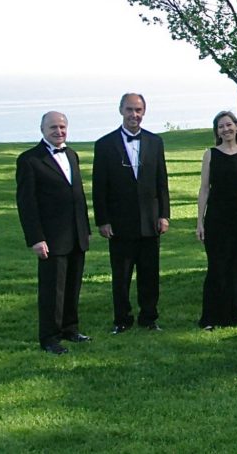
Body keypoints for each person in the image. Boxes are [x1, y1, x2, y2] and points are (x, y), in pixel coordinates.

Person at [93, 93, 170, 334]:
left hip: (150, 220)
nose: (133, 115)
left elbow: (161, 182)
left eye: (138, 110)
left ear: (144, 112)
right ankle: (122, 319)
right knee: (122, 274)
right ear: (121, 110)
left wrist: (164, 215)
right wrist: (103, 220)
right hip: (119, 221)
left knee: (150, 274)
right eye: (129, 110)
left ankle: (149, 317)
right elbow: (99, 186)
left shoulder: (155, 142)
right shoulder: (104, 144)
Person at [16, 111, 91, 354]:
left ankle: (70, 328)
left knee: (72, 285)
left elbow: (77, 196)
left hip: (76, 234)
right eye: (53, 128)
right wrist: (36, 238)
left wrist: (85, 229)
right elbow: (27, 204)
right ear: (42, 130)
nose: (58, 131)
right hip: (50, 236)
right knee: (52, 290)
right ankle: (49, 337)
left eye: (62, 127)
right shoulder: (29, 160)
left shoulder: (72, 154)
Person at [195, 111, 237, 330]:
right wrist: (200, 221)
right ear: (217, 131)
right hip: (216, 216)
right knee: (217, 267)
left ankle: (232, 315)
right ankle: (211, 317)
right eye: (221, 127)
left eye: (229, 125)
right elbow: (204, 189)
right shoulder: (210, 154)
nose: (226, 129)